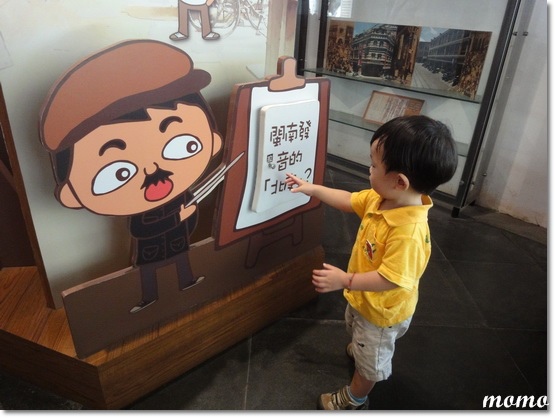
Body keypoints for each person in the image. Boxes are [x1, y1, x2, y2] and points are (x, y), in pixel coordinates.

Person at [285, 115, 458, 410]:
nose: (369, 169)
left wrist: (345, 280)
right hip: (364, 300)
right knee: (356, 328)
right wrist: (313, 189)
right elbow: (348, 199)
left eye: (374, 165)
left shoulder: (408, 232)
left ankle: (355, 398)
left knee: (369, 366)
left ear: (400, 181)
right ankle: (362, 347)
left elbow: (390, 279)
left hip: (381, 314)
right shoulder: (382, 199)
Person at [39, 40, 223, 313]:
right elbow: (139, 229)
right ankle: (148, 299)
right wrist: (179, 218)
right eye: (118, 173)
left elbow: (191, 213)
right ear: (71, 194)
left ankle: (187, 282)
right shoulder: (143, 212)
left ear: (213, 141)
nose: (153, 171)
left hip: (178, 242)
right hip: (149, 250)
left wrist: (190, 215)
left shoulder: (182, 194)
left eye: (183, 145)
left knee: (183, 262)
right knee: (147, 274)